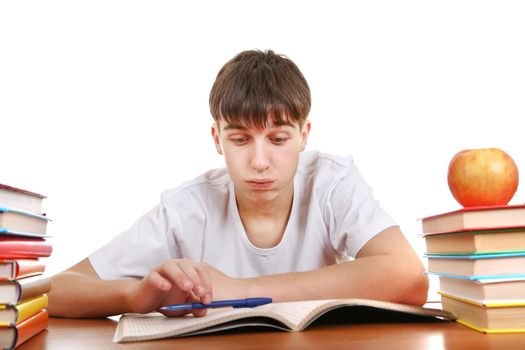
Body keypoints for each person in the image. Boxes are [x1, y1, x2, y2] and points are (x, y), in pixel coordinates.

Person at [48, 49, 428, 318]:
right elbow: (58, 289)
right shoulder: (188, 208)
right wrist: (134, 294)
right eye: (240, 139)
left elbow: (409, 277)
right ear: (217, 139)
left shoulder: (331, 182)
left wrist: (237, 290)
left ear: (304, 135)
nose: (260, 162)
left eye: (278, 139)